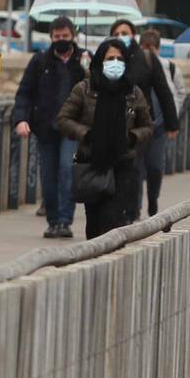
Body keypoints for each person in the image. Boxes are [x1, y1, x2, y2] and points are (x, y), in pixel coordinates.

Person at [56, 39, 153, 240]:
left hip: (122, 161)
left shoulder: (133, 92)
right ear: (100, 60)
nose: (115, 62)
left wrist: (132, 137)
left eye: (120, 58)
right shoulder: (84, 89)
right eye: (110, 58)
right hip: (90, 161)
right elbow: (63, 119)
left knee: (113, 219)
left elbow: (147, 126)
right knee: (93, 222)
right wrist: (86, 134)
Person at [13, 16, 86, 238]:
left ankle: (65, 219)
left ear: (73, 36)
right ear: (51, 38)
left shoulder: (82, 62)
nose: (61, 40)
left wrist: (87, 67)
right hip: (45, 128)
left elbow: (95, 91)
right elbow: (24, 93)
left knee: (67, 171)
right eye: (57, 37)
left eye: (65, 36)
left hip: (72, 129)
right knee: (48, 175)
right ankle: (53, 220)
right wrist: (21, 119)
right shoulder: (40, 62)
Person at [109, 19, 178, 220]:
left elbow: (163, 91)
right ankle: (132, 210)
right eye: (117, 33)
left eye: (125, 32)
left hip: (143, 123)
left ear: (133, 35)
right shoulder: (109, 58)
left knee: (150, 167)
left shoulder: (146, 58)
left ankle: (149, 200)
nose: (121, 36)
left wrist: (172, 123)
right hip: (118, 123)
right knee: (130, 168)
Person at [137, 29, 187, 217]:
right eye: (145, 48)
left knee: (155, 166)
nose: (149, 52)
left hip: (159, 126)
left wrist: (172, 118)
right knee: (136, 167)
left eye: (152, 48)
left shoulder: (170, 68)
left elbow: (176, 93)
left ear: (158, 49)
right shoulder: (138, 66)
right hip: (141, 125)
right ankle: (136, 206)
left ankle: (153, 197)